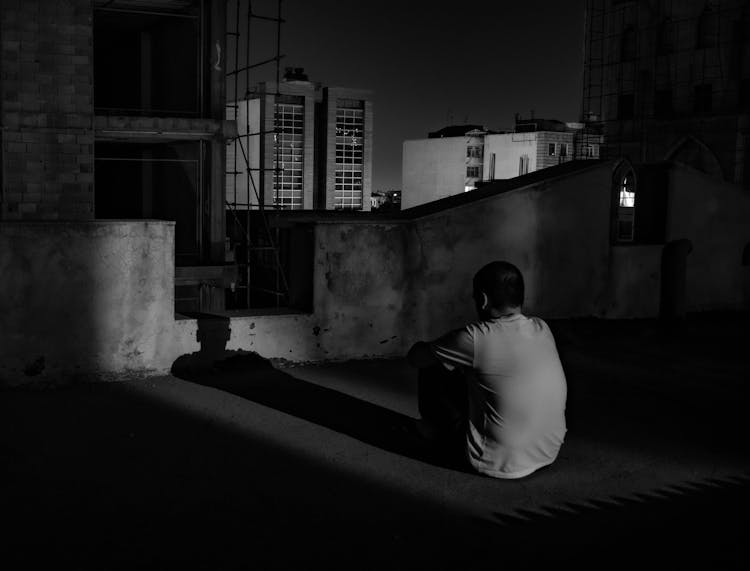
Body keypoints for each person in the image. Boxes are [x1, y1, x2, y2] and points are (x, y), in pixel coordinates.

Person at [406, 261, 567, 479]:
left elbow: (416, 358)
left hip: (496, 461)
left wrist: (436, 348)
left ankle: (433, 430)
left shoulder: (475, 337)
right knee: (478, 372)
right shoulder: (542, 327)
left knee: (434, 363)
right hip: (549, 451)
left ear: (482, 299)